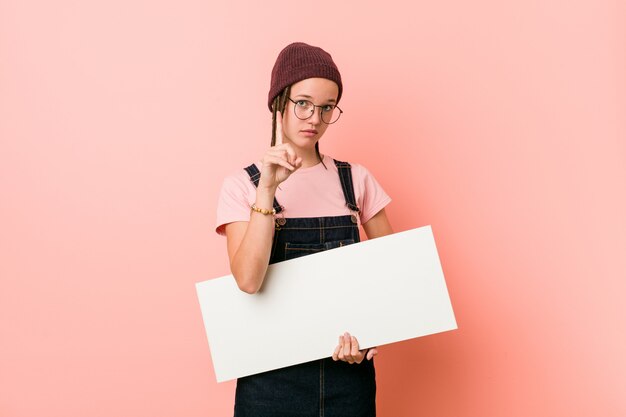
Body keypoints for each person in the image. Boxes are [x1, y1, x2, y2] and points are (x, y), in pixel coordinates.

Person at [215, 42, 394, 417]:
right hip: (268, 378)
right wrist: (267, 188)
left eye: (327, 107)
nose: (314, 117)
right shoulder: (242, 185)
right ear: (279, 101)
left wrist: (373, 335)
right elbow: (248, 280)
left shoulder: (355, 180)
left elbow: (394, 275)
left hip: (347, 373)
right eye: (303, 103)